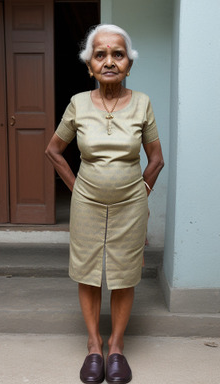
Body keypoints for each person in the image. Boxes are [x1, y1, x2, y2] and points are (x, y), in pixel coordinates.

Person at [45, 24, 164, 384]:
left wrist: (138, 193)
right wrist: (76, 186)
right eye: (101, 55)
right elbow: (53, 150)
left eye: (118, 54)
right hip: (88, 204)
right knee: (88, 272)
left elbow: (156, 159)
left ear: (129, 64)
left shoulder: (142, 102)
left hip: (129, 207)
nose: (109, 61)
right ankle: (94, 345)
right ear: (90, 66)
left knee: (125, 275)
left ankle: (117, 346)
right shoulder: (78, 104)